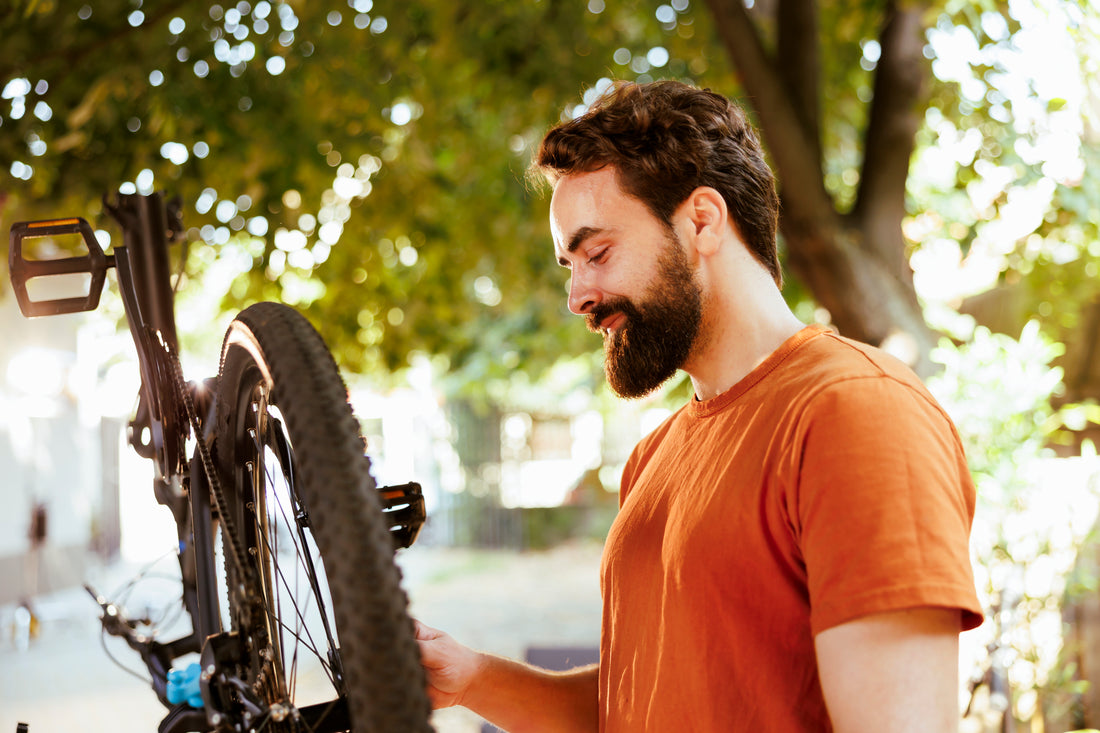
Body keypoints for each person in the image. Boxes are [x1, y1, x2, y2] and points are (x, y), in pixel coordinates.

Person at [415, 80, 983, 732]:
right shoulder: (654, 457)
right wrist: (471, 678)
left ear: (702, 221)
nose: (578, 295)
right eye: (568, 265)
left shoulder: (856, 413)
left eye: (597, 252)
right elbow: (640, 705)